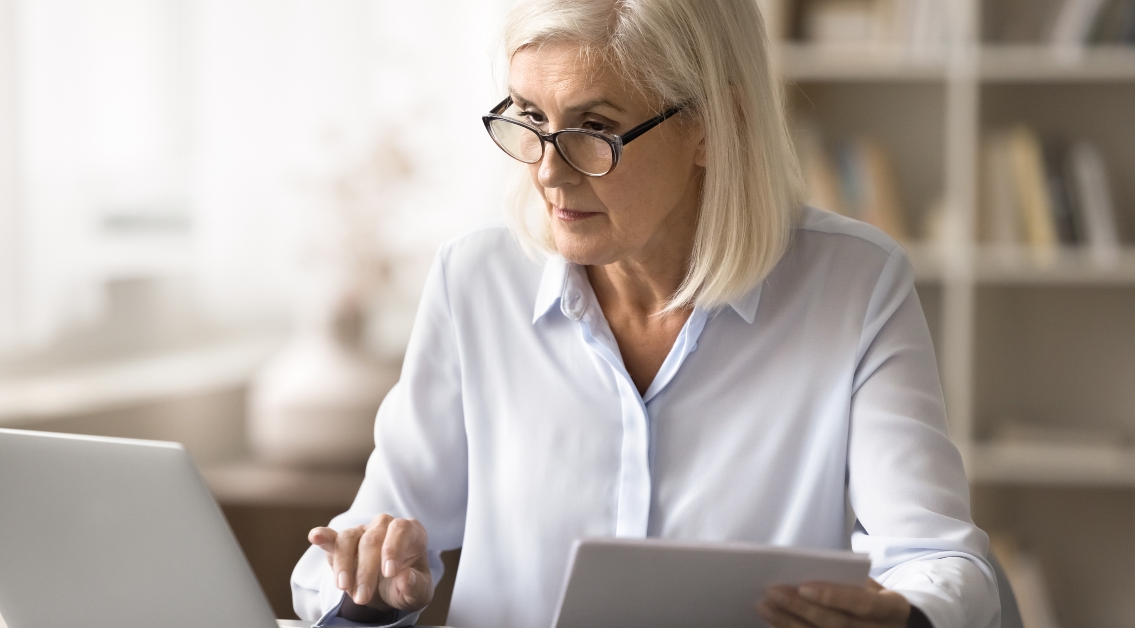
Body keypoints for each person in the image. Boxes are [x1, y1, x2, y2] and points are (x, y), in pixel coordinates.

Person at [291, 1, 1000, 627]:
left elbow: (940, 560)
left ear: (714, 126)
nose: (548, 170)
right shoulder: (474, 281)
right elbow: (345, 559)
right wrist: (371, 586)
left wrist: (906, 617)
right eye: (531, 118)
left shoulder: (854, 285)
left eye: (594, 127)